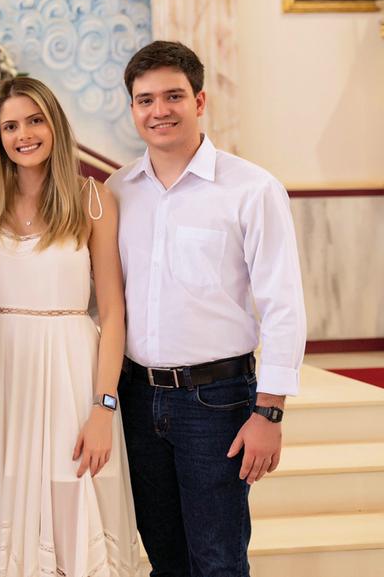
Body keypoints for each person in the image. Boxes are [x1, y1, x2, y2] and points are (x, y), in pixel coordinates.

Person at [107, 41, 307, 577]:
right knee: (164, 559)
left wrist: (269, 411)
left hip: (215, 401)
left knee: (217, 560)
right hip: (138, 397)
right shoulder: (117, 190)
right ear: (132, 110)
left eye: (173, 96)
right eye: (145, 100)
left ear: (199, 101)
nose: (159, 110)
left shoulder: (252, 189)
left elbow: (283, 305)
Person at [0, 76, 139, 577]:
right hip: (2, 375)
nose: (23, 134)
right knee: (6, 502)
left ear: (54, 124)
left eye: (34, 120)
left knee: (70, 494)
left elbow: (114, 314)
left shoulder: (93, 199)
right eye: (9, 126)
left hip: (71, 371)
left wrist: (103, 407)